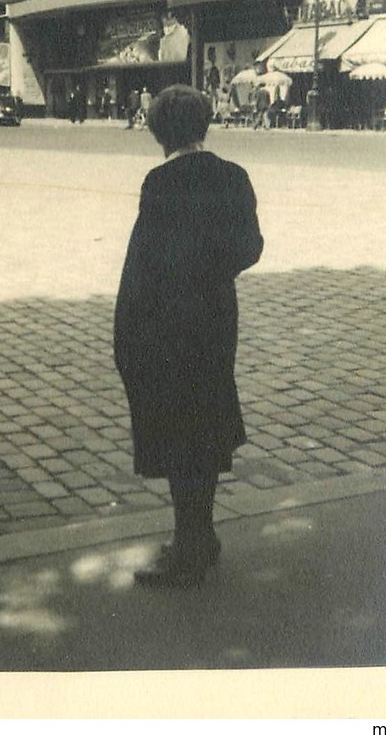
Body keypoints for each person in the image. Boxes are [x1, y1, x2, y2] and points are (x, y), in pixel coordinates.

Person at [114, 85, 263, 588]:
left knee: (179, 434)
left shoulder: (160, 182)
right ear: (205, 123)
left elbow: (145, 263)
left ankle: (190, 551)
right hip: (216, 320)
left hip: (168, 325)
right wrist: (210, 273)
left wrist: (128, 334)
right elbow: (250, 247)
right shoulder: (234, 176)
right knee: (207, 424)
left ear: (158, 132)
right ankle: (200, 534)